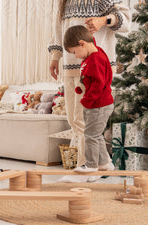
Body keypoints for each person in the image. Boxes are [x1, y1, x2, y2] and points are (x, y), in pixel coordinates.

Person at [48, 0, 131, 182]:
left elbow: (126, 21)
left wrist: (104, 20)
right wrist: (56, 57)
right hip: (70, 66)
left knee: (84, 122)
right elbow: (58, 28)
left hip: (96, 66)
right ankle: (102, 163)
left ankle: (86, 169)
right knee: (74, 120)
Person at [64, 25, 114, 173]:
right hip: (96, 104)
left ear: (82, 43)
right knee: (95, 134)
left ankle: (91, 165)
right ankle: (104, 163)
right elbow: (89, 78)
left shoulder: (96, 59)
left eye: (74, 52)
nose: (76, 56)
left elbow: (99, 84)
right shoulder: (91, 55)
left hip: (99, 105)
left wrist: (87, 99)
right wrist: (81, 87)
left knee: (90, 135)